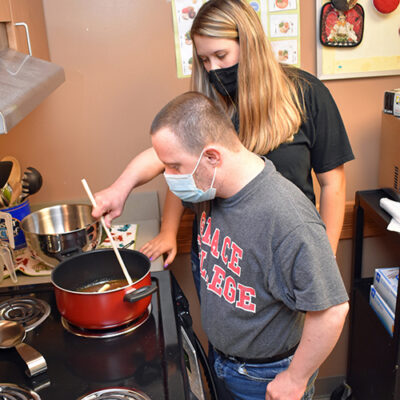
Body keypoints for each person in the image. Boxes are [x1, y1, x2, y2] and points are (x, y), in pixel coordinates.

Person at [92, 0, 354, 284]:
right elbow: (173, 163)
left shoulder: (307, 94)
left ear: (249, 43)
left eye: (221, 55)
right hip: (220, 259)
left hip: (283, 254)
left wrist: (325, 258)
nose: (213, 69)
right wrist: (123, 191)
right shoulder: (209, 107)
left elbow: (333, 184)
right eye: (204, 60)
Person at [148, 91, 349, 400]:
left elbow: (333, 310)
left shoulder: (287, 219)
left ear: (213, 157)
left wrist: (295, 380)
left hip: (265, 375)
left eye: (175, 167)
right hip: (225, 359)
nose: (169, 177)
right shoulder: (209, 187)